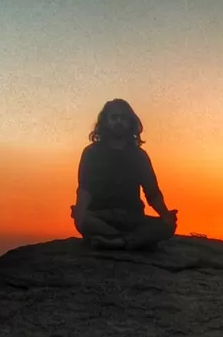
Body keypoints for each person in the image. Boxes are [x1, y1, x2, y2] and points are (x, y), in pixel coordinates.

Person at [71, 99, 179, 251]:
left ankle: (114, 240)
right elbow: (84, 189)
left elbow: (152, 193)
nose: (119, 122)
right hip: (101, 215)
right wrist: (80, 216)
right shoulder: (92, 153)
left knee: (167, 227)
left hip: (132, 217)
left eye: (123, 118)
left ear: (130, 123)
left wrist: (165, 214)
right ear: (106, 122)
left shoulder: (139, 156)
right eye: (114, 117)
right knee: (87, 220)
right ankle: (129, 240)